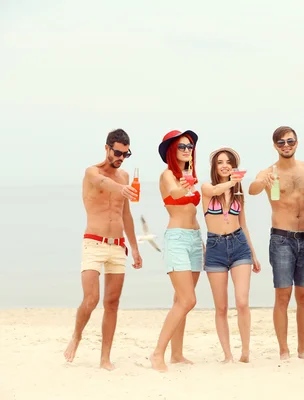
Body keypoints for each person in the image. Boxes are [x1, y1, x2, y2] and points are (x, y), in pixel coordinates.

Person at [63, 128, 143, 371]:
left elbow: (126, 214)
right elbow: (101, 182)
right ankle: (77, 335)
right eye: (117, 152)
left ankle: (105, 357)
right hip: (93, 242)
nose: (120, 158)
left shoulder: (125, 177)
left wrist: (135, 248)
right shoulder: (92, 172)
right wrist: (121, 189)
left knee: (112, 302)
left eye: (125, 154)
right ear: (107, 148)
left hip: (118, 245)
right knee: (91, 298)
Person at [248, 126, 304, 361]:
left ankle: (302, 348)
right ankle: (284, 350)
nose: (286, 145)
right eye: (281, 143)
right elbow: (251, 190)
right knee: (282, 295)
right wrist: (263, 181)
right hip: (281, 238)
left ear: (297, 143)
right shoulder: (268, 172)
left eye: (290, 141)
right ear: (275, 146)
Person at [150, 129, 205, 373]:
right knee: (188, 300)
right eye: (182, 146)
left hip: (194, 238)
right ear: (172, 150)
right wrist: (185, 186)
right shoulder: (167, 176)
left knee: (179, 299)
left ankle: (177, 353)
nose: (187, 150)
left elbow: (193, 207)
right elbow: (174, 193)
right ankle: (157, 353)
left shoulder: (189, 174)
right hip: (177, 239)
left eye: (190, 146)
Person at [201, 147, 261, 363]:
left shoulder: (238, 193)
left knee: (242, 301)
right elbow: (216, 191)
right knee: (221, 307)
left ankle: (245, 352)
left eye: (228, 162)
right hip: (215, 248)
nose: (224, 165)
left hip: (239, 245)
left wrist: (253, 253)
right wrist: (234, 180)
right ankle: (228, 355)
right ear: (214, 167)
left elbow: (243, 224)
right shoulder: (207, 188)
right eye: (220, 162)